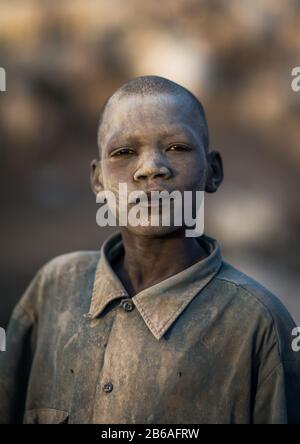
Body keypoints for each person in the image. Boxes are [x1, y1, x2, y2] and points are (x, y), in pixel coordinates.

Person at [0, 76, 299, 424]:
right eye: (124, 152)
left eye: (177, 148)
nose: (151, 168)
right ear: (98, 180)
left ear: (213, 172)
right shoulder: (53, 289)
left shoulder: (257, 322)